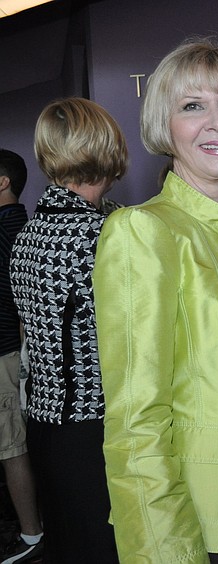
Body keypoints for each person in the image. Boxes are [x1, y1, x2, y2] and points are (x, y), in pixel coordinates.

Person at [92, 37, 218, 563]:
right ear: (166, 126)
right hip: (201, 532)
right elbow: (137, 425)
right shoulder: (143, 231)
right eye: (192, 106)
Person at [10, 98, 127, 563]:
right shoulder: (104, 236)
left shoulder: (28, 234)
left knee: (69, 545)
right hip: (95, 429)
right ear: (107, 148)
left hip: (44, 422)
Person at [0, 149, 43, 564]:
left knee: (11, 446)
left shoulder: (11, 226)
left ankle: (32, 537)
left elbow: (20, 302)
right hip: (10, 353)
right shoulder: (20, 225)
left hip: (7, 355)